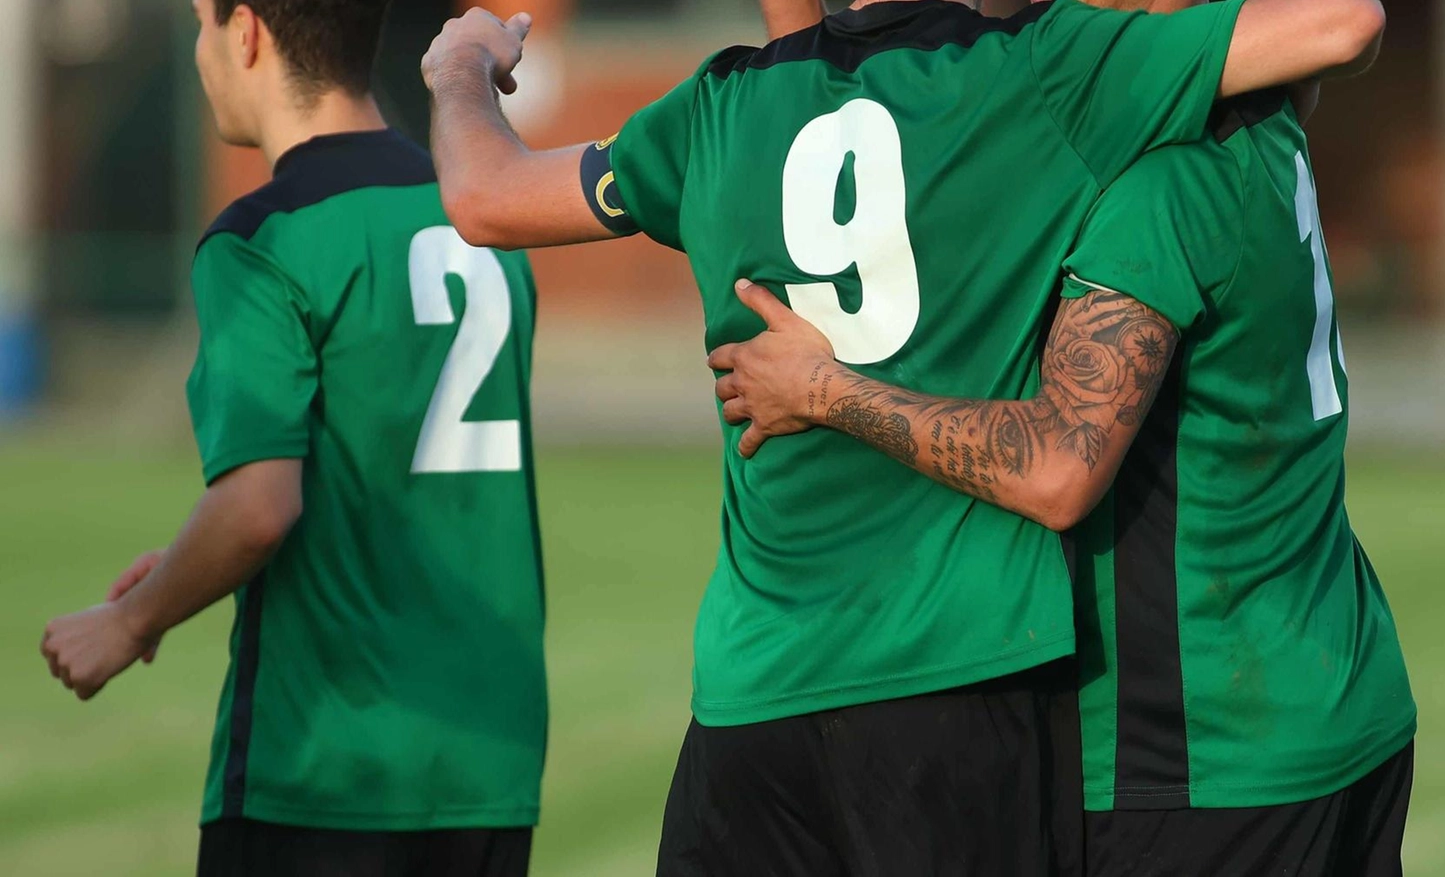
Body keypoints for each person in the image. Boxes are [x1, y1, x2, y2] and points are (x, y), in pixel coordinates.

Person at [420, 0, 1385, 873]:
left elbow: (486, 196)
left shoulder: (719, 105)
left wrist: (461, 63)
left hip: (752, 698)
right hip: (963, 690)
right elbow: (1334, 27)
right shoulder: (1042, 76)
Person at [712, 2, 1416, 874]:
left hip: (1206, 754)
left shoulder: (1159, 186)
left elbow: (1055, 466)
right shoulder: (1274, 130)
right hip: (1342, 686)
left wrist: (826, 390)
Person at [39, 1, 546, 874]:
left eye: (202, 26)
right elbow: (381, 471)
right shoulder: (483, 220)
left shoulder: (262, 239)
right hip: (488, 765)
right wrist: (181, 565)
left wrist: (130, 619)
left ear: (245, 35)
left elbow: (258, 506)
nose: (201, 54)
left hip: (327, 767)